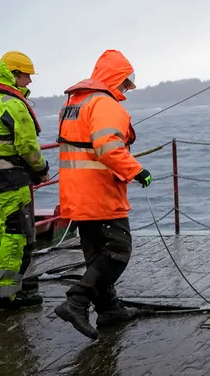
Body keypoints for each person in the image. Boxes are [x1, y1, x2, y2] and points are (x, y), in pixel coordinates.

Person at [54, 49, 152, 339]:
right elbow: (107, 147)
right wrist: (137, 171)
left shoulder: (74, 101)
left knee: (96, 252)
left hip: (76, 191)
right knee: (117, 251)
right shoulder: (105, 104)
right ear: (115, 78)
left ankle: (109, 310)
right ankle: (76, 302)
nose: (125, 90)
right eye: (124, 83)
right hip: (98, 191)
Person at [0, 51, 50, 310]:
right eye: (26, 75)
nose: (29, 80)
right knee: (15, 236)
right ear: (14, 75)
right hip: (8, 178)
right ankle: (6, 297)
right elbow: (28, 147)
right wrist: (42, 169)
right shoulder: (12, 103)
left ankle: (7, 290)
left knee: (3, 231)